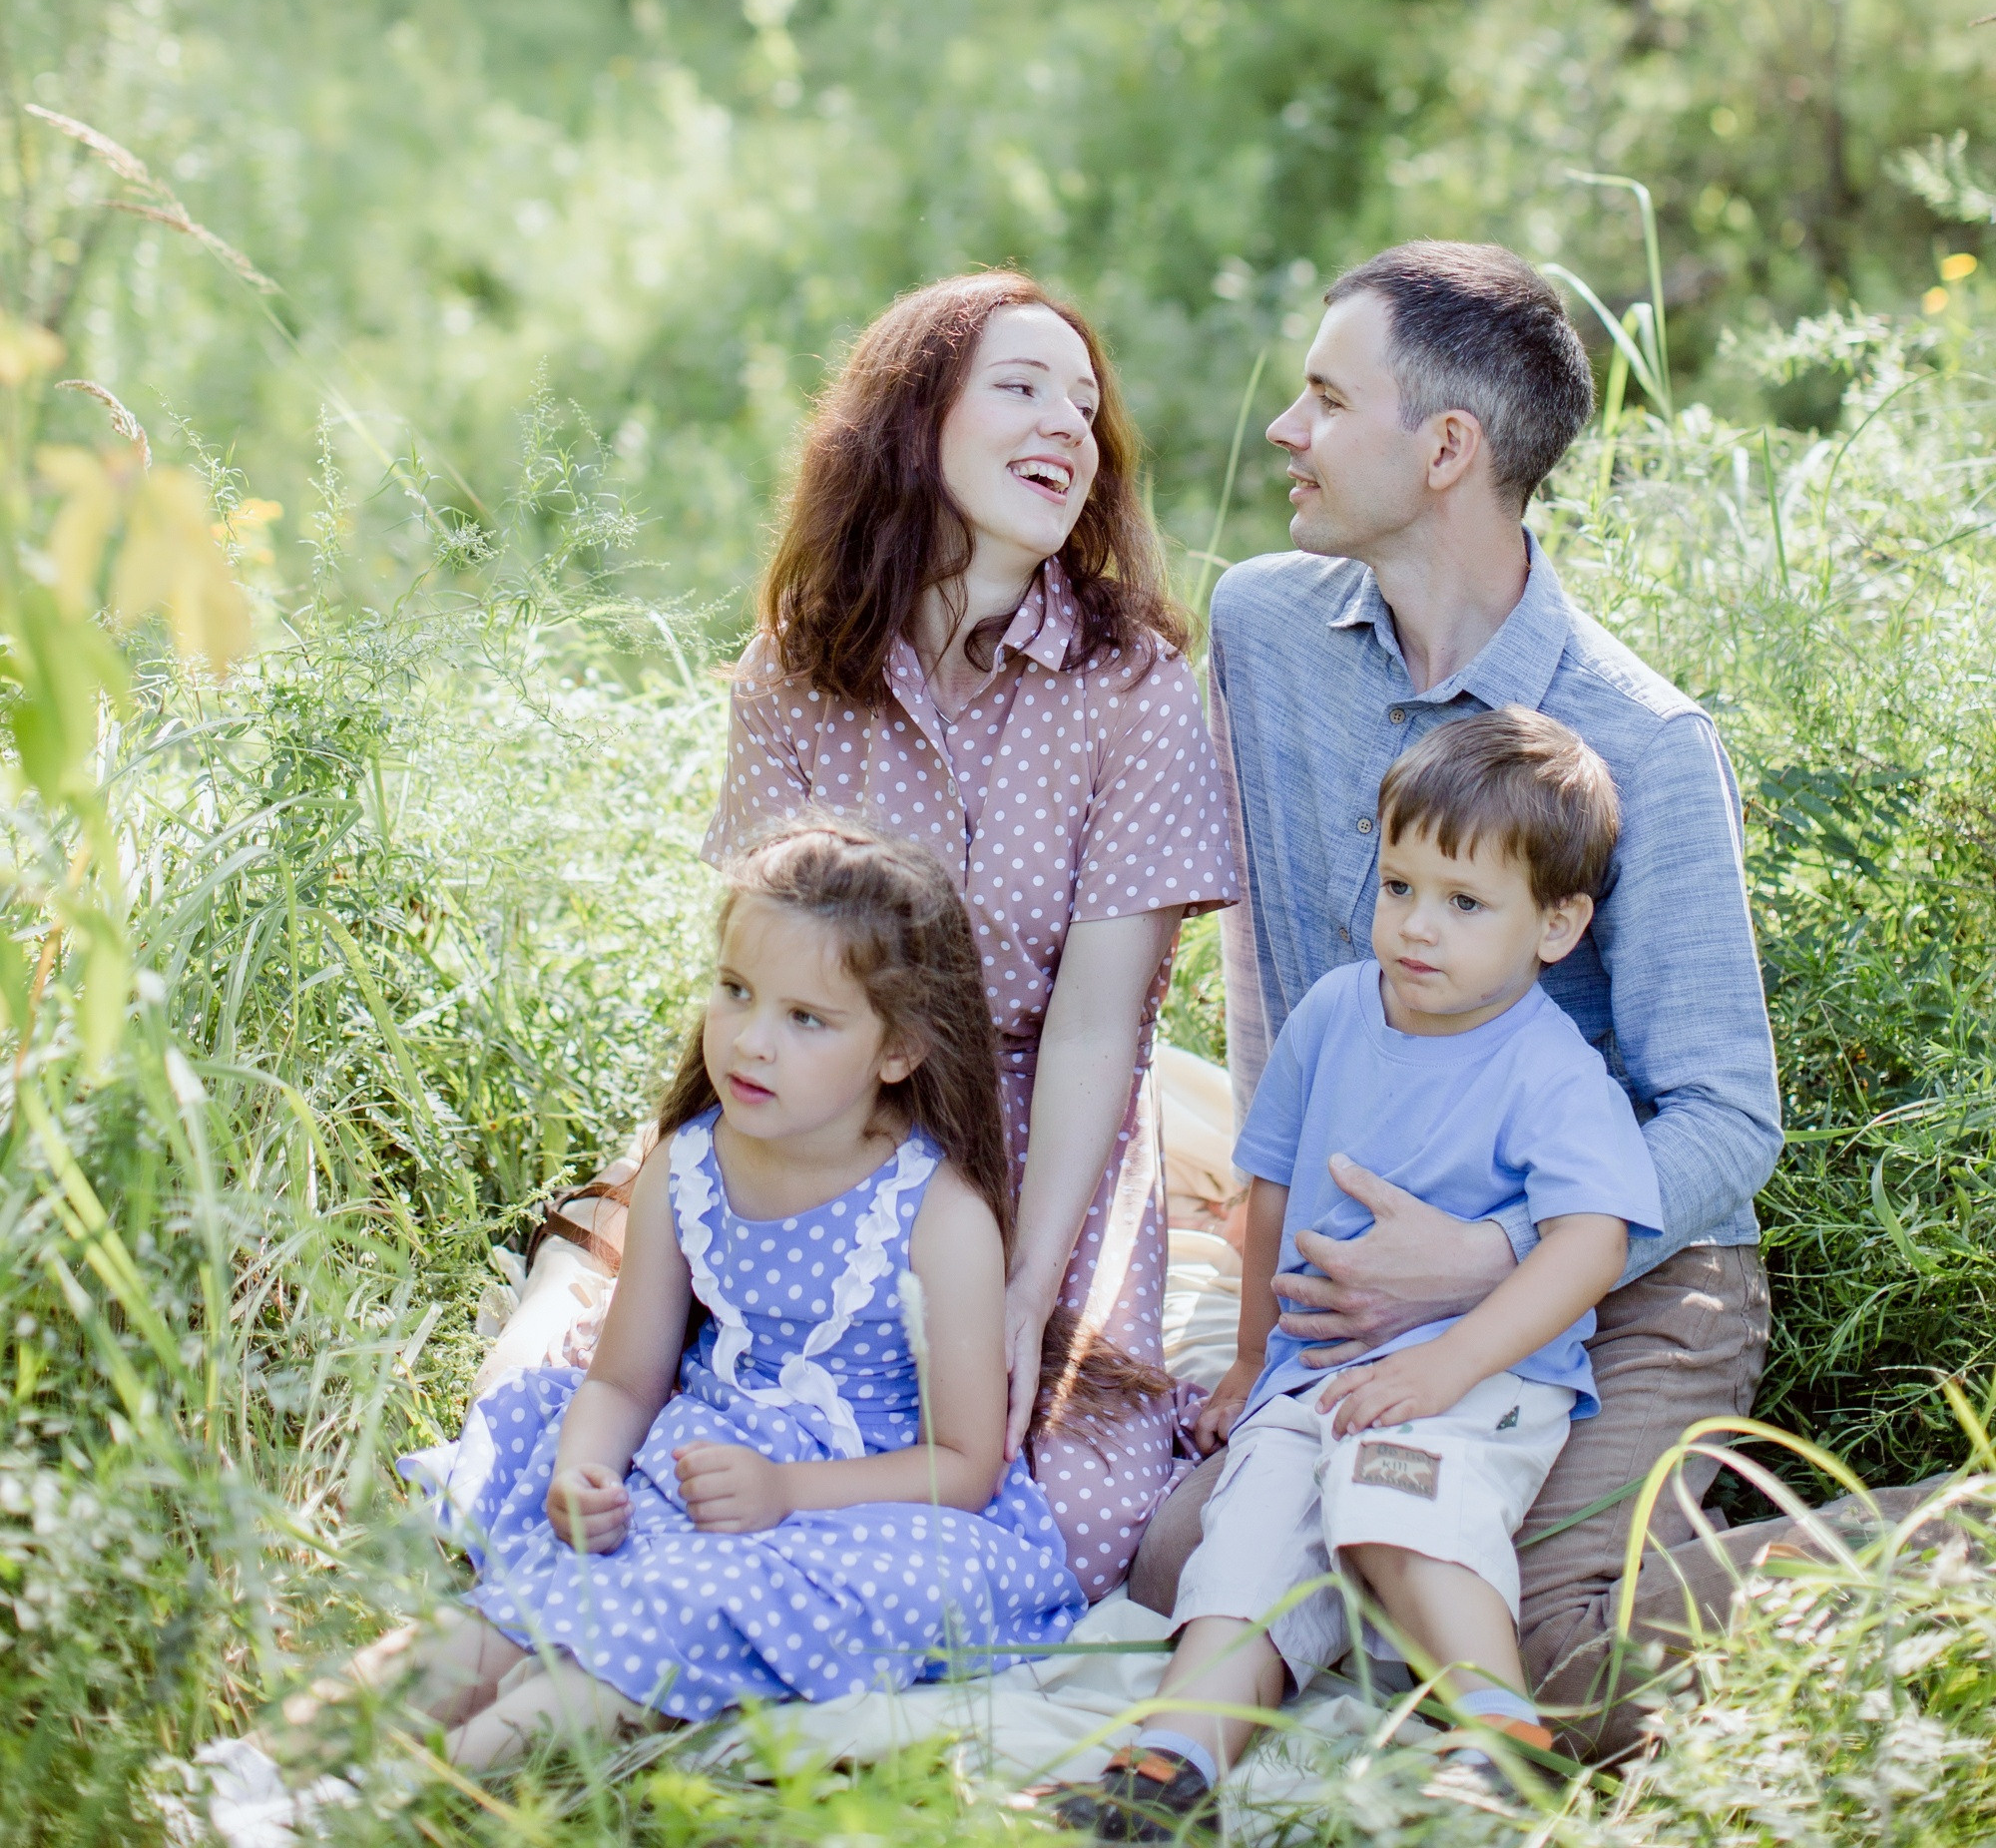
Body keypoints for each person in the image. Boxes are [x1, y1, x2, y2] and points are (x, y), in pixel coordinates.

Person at [1130, 241, 1787, 1758]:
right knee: (1181, 1572)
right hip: (1364, 1275)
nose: (1285, 431)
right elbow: (1278, 981)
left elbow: (1726, 1117)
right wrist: (1282, 1277)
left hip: (1615, 1269)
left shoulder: (1641, 742)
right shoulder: (1266, 629)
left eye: (1321, 395)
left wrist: (1490, 1260)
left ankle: (1941, 1562)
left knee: (1557, 1660)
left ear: (1445, 450)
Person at [541, 271, 1237, 1601]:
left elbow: (1100, 1022)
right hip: (829, 1115)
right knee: (659, 1426)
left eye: (1086, 407)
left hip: (1045, 1133)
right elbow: (762, 970)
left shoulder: (1133, 680)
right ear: (915, 423)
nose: (1069, 428)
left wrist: (1030, 1292)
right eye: (1023, 389)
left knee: (1061, 1518)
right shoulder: (801, 666)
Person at [328, 823, 1087, 1772]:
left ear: (897, 1051)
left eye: (807, 1018)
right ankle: (263, 1771)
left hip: (872, 1516)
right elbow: (624, 1380)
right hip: (700, 1469)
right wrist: (583, 1469)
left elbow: (966, 1465)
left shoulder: (938, 1213)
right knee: (509, 1623)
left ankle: (380, 1800)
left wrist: (787, 1492)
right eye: (736, 992)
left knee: (627, 1643)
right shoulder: (687, 1166)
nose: (751, 1041)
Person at [1043, 707, 1659, 1839]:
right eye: (1397, 887)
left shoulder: (1548, 1070)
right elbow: (1269, 1189)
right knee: (1247, 1537)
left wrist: (1444, 1371)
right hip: (1310, 1373)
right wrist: (1242, 1365)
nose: (1416, 928)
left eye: (1464, 904)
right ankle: (1173, 1760)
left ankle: (1495, 1735)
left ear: (1555, 924)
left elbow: (1591, 1242)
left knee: (1388, 1498)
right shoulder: (1332, 1012)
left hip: (1468, 1381)